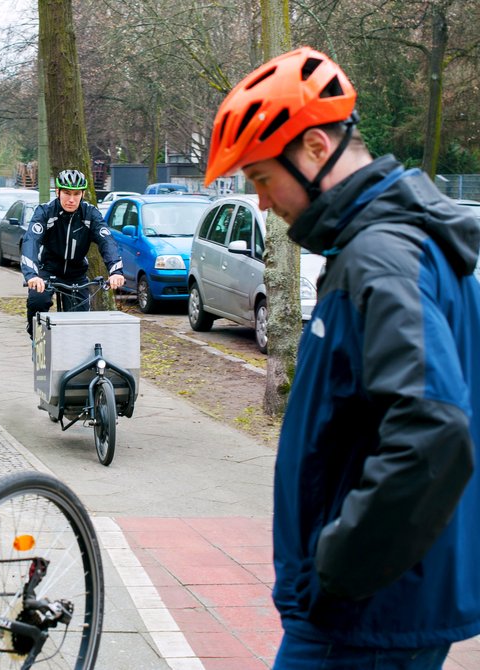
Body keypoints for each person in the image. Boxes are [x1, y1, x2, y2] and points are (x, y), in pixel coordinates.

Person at [204, 46, 480, 668]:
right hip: (375, 608)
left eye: (261, 178)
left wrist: (334, 569)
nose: (262, 204)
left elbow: (432, 432)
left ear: (315, 151)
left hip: (362, 618)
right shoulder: (383, 246)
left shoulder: (381, 259)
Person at [20, 169, 126, 338]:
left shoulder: (90, 213)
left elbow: (107, 241)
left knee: (80, 325)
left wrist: (115, 271)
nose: (71, 199)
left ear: (83, 194)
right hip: (48, 271)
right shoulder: (45, 212)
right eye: (67, 193)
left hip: (76, 274)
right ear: (58, 192)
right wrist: (31, 275)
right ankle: (36, 335)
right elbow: (31, 241)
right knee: (37, 301)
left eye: (76, 194)